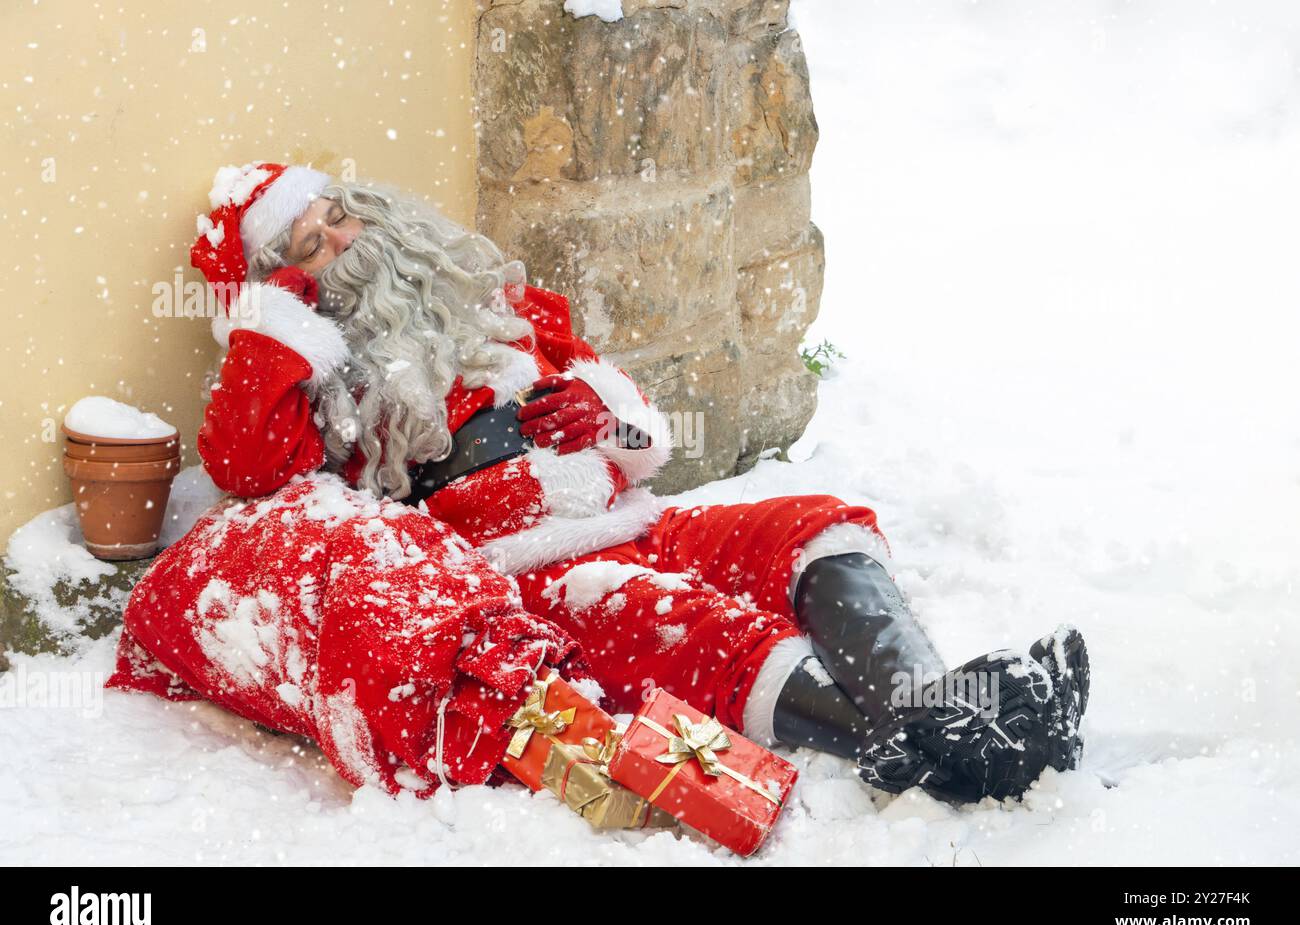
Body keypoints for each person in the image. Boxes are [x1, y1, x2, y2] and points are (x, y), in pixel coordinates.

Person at [126, 161, 1090, 806]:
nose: (345, 240)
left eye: (339, 213)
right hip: (535, 570)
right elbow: (250, 472)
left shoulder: (499, 316)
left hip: (636, 517)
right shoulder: (330, 381)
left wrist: (608, 424)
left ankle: (926, 707)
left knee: (808, 524)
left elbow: (645, 439)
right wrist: (278, 322)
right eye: (310, 247)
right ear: (289, 285)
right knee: (695, 629)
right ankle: (947, 748)